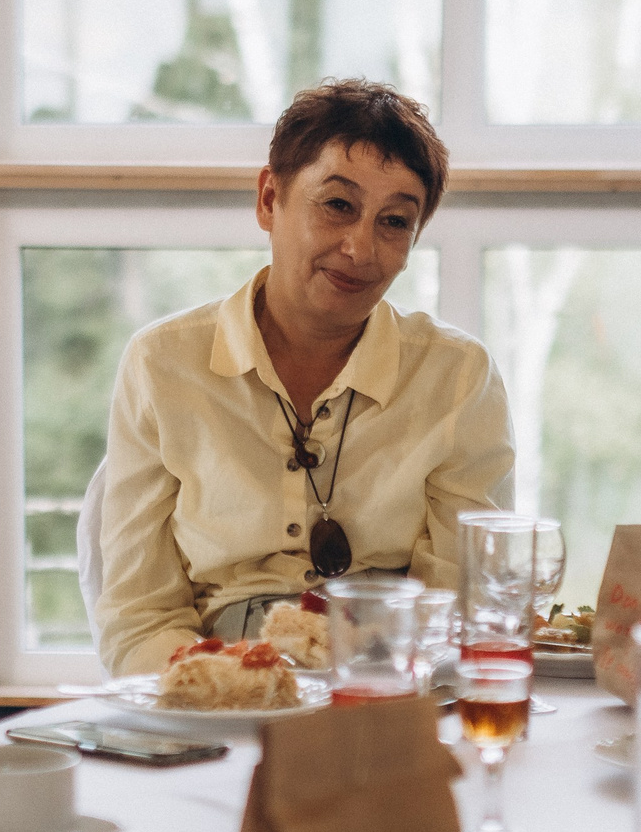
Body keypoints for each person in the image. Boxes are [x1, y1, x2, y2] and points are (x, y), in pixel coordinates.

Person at [92, 79, 514, 675]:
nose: (360, 248)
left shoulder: (458, 375)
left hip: (389, 676)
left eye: (394, 222)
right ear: (270, 198)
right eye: (337, 205)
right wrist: (215, 683)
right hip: (217, 675)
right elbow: (140, 615)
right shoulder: (164, 363)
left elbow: (459, 603)